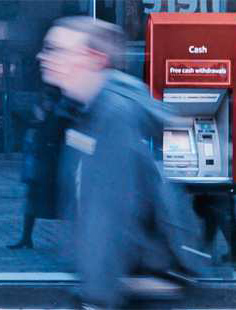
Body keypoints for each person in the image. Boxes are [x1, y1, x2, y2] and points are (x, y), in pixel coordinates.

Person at [37, 16, 199, 308]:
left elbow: (109, 212)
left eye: (56, 49)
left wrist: (97, 297)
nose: (44, 56)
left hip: (130, 291)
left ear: (93, 58)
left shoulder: (112, 115)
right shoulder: (85, 111)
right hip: (121, 285)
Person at [7, 86, 65, 250]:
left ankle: (74, 242)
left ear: (54, 102)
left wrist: (41, 123)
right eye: (45, 100)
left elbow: (52, 138)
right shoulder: (45, 117)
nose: (46, 103)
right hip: (38, 169)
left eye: (48, 100)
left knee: (60, 205)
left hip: (50, 170)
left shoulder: (56, 118)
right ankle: (26, 238)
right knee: (31, 202)